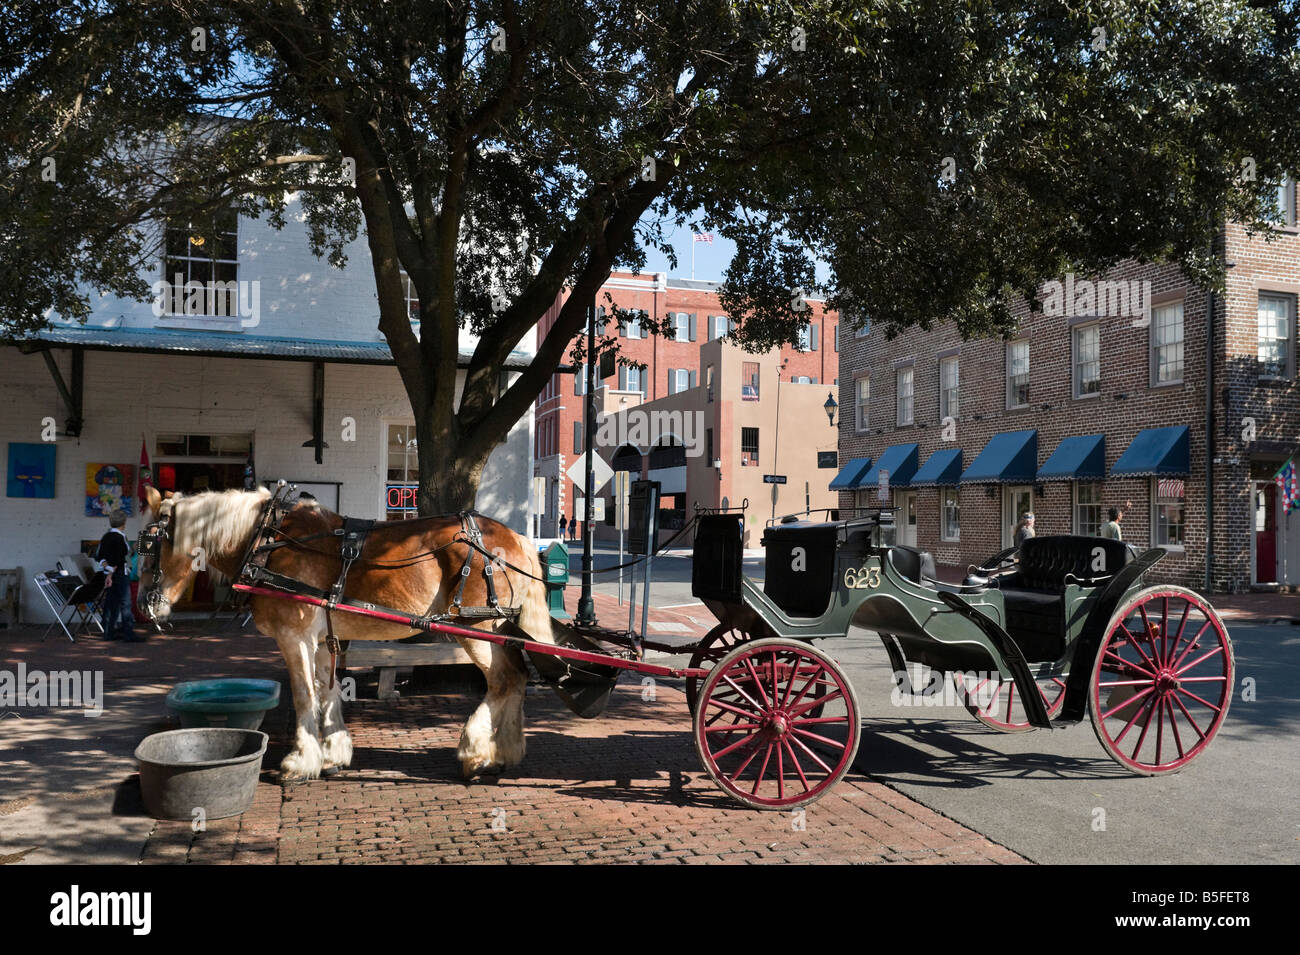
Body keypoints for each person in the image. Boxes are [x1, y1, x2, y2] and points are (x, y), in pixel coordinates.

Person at [96, 508, 143, 642]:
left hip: (109, 574)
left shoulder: (106, 536)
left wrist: (108, 571)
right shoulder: (120, 537)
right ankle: (128, 634)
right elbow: (120, 558)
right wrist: (112, 573)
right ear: (124, 522)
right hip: (120, 574)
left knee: (111, 604)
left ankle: (108, 632)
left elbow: (100, 557)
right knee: (125, 604)